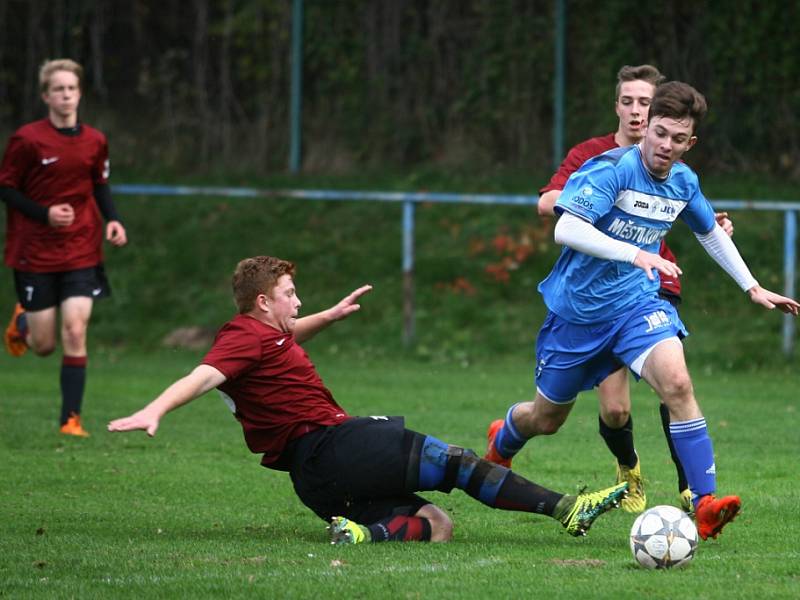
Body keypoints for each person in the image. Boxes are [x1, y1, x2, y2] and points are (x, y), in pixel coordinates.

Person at [108, 256, 628, 544]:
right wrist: (154, 410)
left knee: (438, 528)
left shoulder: (267, 337)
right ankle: (567, 509)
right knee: (456, 463)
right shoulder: (242, 336)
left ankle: (362, 534)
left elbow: (280, 343)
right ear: (263, 302)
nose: (298, 300)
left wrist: (327, 318)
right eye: (291, 294)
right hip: (332, 446)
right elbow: (204, 375)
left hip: (315, 482)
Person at [481, 81, 799, 541]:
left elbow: (710, 232)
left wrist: (751, 287)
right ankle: (504, 436)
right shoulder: (612, 169)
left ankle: (705, 503)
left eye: (678, 139)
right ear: (645, 128)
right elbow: (566, 229)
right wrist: (636, 253)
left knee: (678, 383)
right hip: (577, 314)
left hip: (636, 305)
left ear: (690, 143)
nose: (666, 146)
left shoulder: (684, 181)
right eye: (660, 133)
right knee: (546, 419)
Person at [1, 58, 127, 436]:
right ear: (46, 95)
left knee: (75, 329)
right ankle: (23, 319)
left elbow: (99, 185)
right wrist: (44, 213)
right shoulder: (27, 140)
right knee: (42, 345)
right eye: (58, 89)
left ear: (80, 93)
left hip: (81, 247)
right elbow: (5, 187)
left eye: (71, 88)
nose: (66, 95)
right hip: (34, 251)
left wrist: (114, 220)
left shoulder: (95, 140)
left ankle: (70, 420)